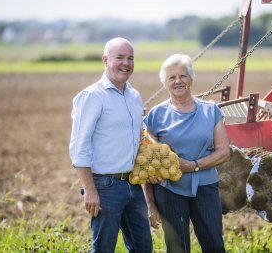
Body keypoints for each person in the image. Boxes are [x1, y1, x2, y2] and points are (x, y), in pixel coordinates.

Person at [69, 37, 152, 253]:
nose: (126, 63)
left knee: (143, 248)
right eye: (120, 58)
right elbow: (79, 146)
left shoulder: (134, 96)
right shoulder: (92, 96)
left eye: (130, 58)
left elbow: (138, 136)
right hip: (105, 186)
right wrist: (89, 190)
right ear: (105, 60)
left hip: (133, 184)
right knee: (104, 249)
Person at [143, 54, 231, 253]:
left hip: (205, 188)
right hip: (169, 190)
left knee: (215, 245)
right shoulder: (155, 116)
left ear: (191, 78)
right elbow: (146, 160)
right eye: (172, 77)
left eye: (183, 76)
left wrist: (193, 165)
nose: (178, 81)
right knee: (177, 248)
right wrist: (150, 203)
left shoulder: (211, 111)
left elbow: (224, 152)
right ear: (165, 83)